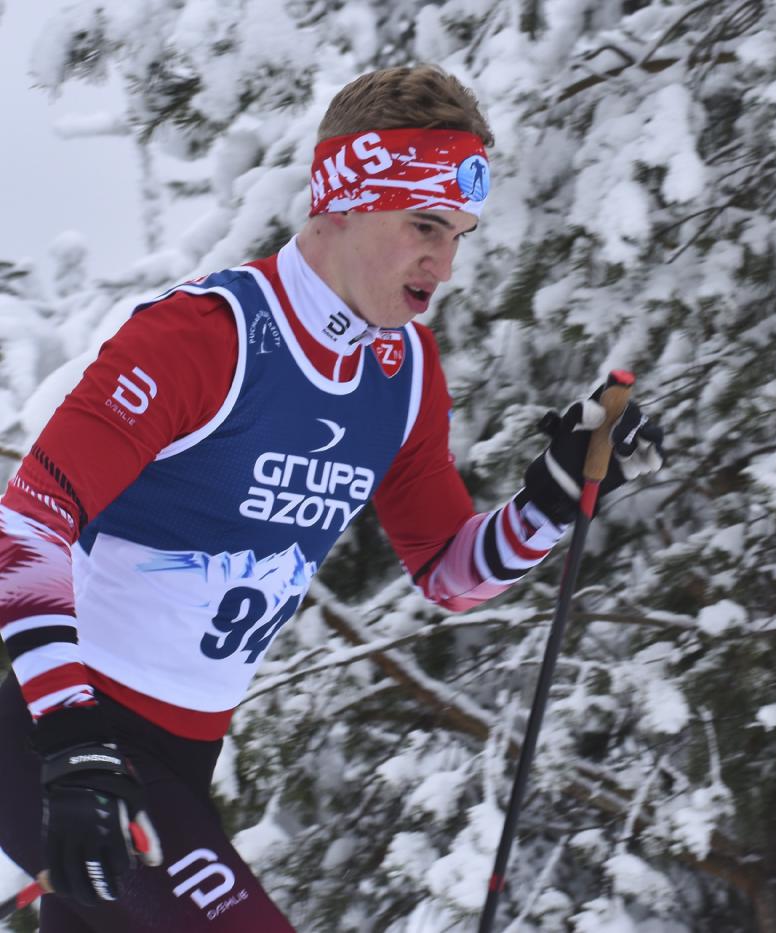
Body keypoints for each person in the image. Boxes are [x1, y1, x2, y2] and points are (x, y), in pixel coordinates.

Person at [0, 64, 663, 931]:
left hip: (180, 753)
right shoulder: (205, 337)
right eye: (425, 224)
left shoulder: (403, 372)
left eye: (459, 234)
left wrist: (551, 498)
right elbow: (27, 524)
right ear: (342, 201)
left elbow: (449, 573)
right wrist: (72, 738)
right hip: (58, 730)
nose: (444, 263)